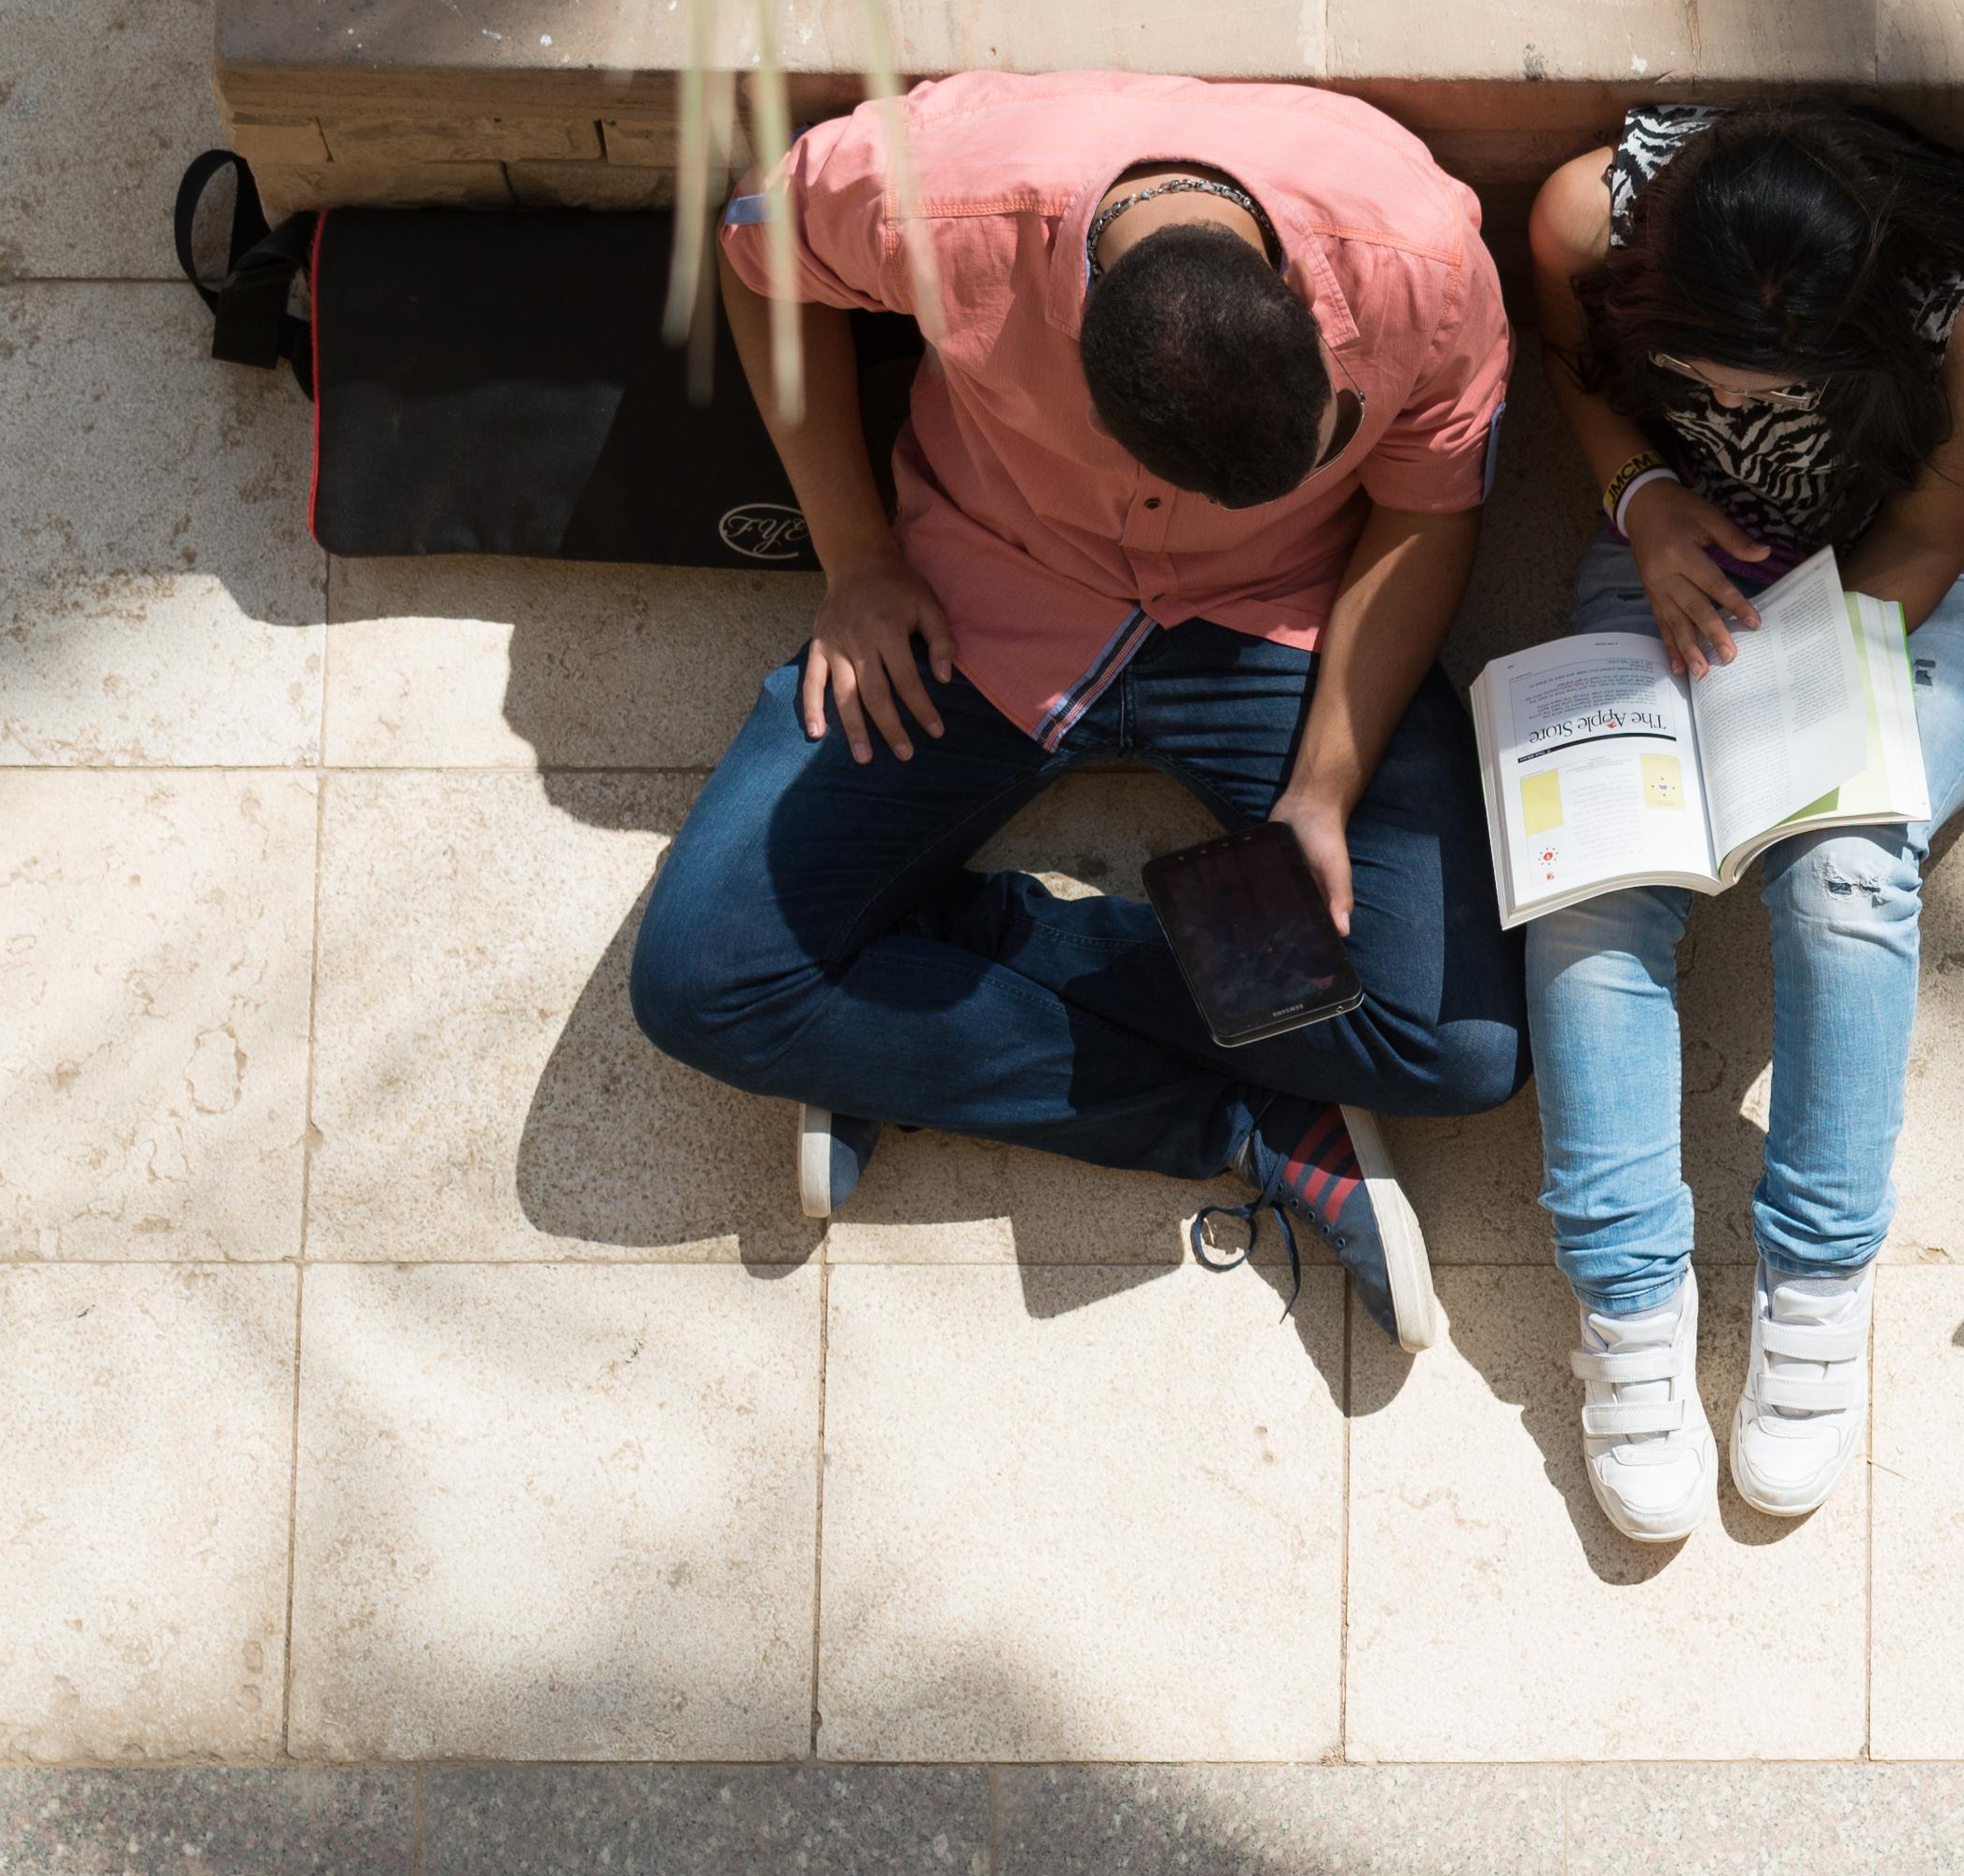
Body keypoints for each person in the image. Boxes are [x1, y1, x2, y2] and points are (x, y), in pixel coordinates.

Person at [630, 71, 1516, 1347]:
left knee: (1454, 1049)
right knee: (708, 981)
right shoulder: (938, 194)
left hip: (1278, 623)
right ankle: (1250, 1120)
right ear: (1090, 391)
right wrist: (857, 560)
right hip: (985, 596)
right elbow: (754, 245)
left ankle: (898, 991)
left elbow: (1430, 512)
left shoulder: (1418, 260)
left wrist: (1322, 787)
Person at [1513, 102, 1964, 1538]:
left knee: (1843, 858)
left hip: (1938, 583)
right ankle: (1626, 1303)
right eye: (1710, 377)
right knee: (1592, 874)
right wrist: (1642, 494)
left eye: (1780, 386)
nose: (1739, 404)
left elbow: (1928, 542)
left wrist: (1770, 728)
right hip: (1683, 548)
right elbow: (1576, 365)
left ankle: (1819, 1280)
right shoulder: (1591, 217)